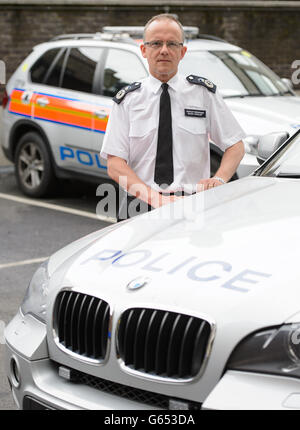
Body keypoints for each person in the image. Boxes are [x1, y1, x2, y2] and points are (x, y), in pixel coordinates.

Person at [100, 13, 245, 220]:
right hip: (139, 205)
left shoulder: (203, 93)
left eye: (172, 44)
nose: (164, 51)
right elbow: (115, 164)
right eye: (156, 43)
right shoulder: (128, 100)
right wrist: (156, 199)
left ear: (183, 51)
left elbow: (235, 146)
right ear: (144, 49)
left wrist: (219, 180)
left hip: (192, 204)